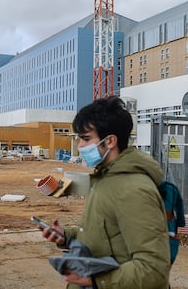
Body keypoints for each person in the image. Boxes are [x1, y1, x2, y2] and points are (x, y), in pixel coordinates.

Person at [40, 96, 170, 289]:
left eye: (85, 139)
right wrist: (66, 236)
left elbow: (154, 270)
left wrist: (96, 281)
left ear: (110, 141)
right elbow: (108, 233)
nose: (79, 146)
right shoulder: (105, 178)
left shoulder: (134, 190)